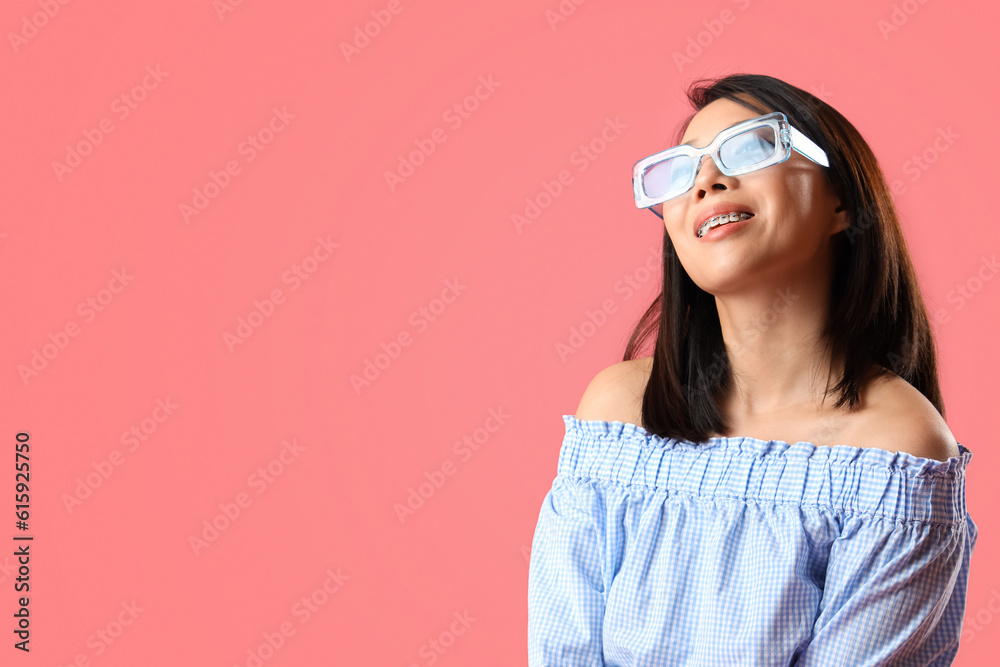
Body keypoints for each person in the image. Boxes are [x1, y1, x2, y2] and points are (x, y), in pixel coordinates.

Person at [526, 73, 977, 666]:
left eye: (751, 146)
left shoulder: (897, 450)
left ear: (841, 200)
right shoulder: (617, 416)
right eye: (682, 171)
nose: (707, 181)